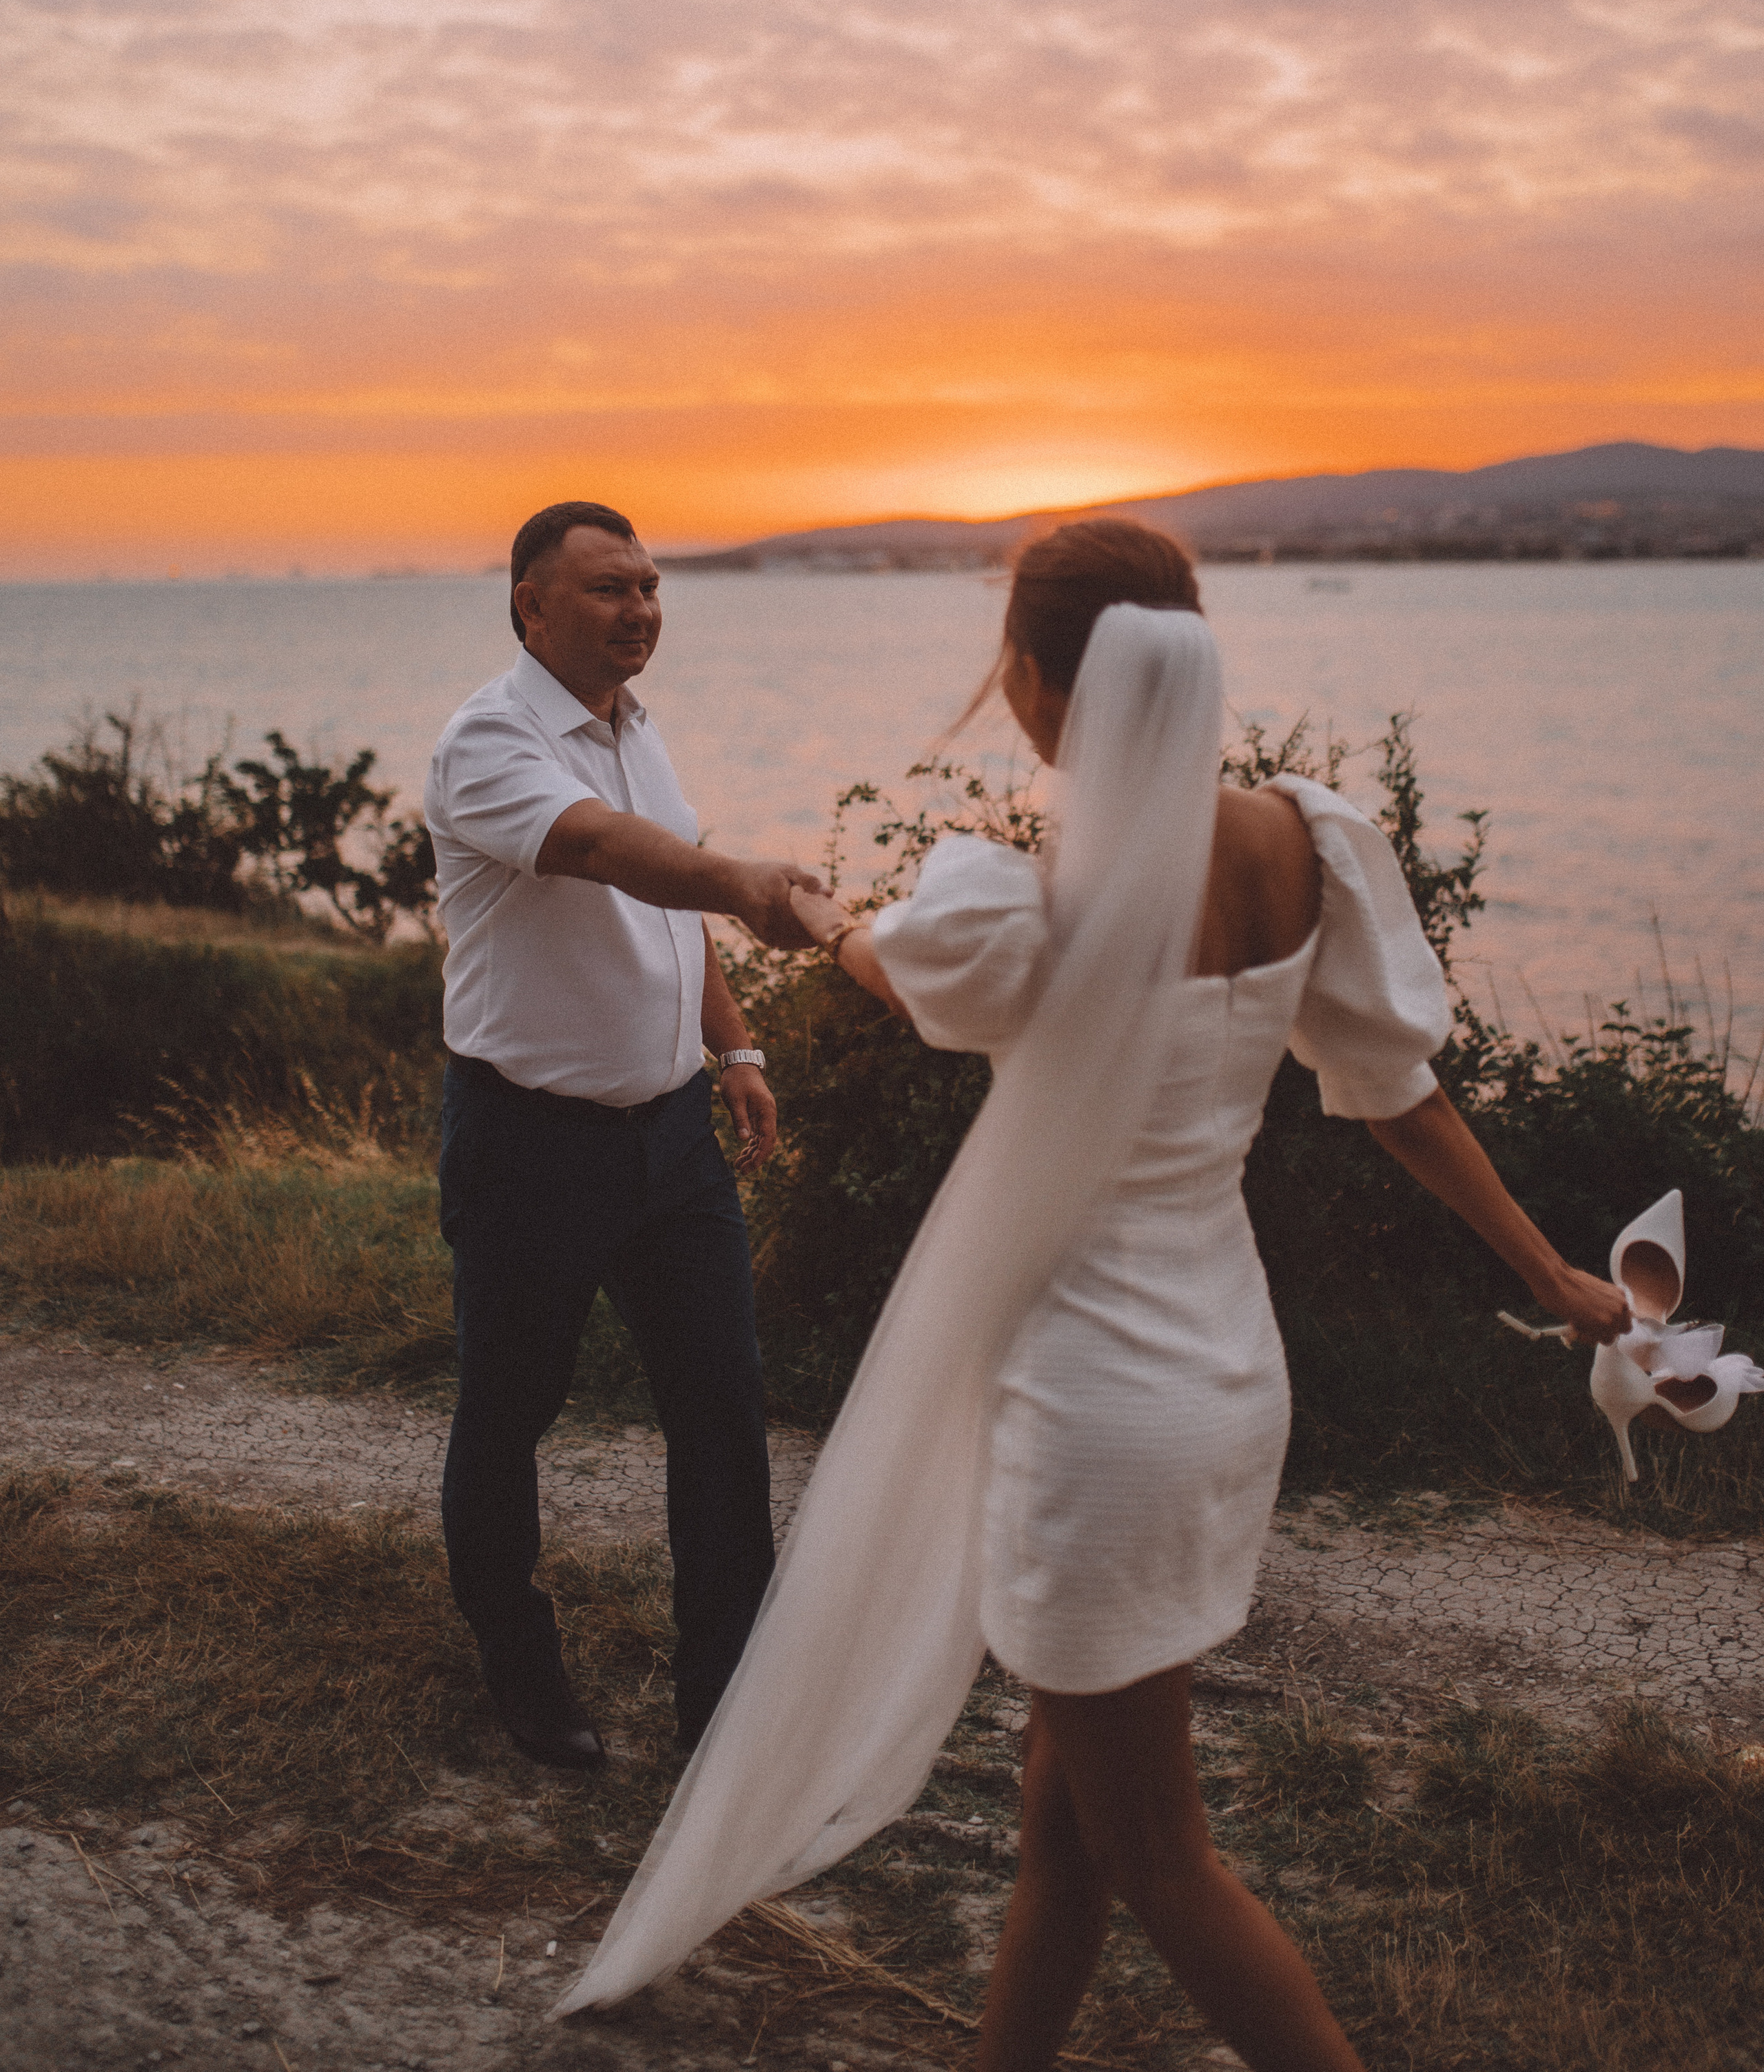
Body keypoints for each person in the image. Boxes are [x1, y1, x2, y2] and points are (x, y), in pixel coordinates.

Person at [560, 521, 1629, 2069]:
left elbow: (904, 975)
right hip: (1225, 1375)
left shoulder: (1029, 900)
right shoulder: (1301, 843)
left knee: (1160, 1857)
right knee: (1063, 1826)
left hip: (1093, 1409)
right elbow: (1398, 1095)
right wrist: (1549, 1272)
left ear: (1038, 682)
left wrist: (817, 916)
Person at [424, 499, 819, 1772]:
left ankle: (727, 1711)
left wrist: (735, 1050)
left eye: (649, 585)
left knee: (724, 1415)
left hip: (673, 1146)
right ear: (531, 607)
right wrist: (745, 880)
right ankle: (521, 1665)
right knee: (510, 1413)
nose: (640, 608)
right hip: (529, 1148)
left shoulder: (637, 730)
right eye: (608, 588)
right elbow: (605, 852)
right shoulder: (490, 741)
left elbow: (667, 905)